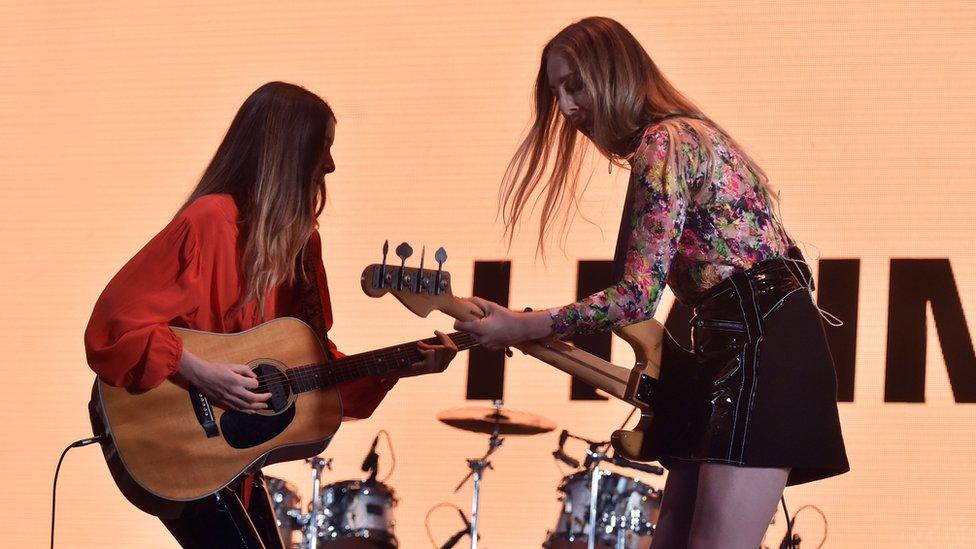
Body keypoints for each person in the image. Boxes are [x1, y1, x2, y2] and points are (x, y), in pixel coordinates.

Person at [455, 17, 848, 549]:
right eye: (556, 92)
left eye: (576, 85)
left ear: (615, 74)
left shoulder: (666, 142)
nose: (567, 108)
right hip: (732, 340)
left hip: (757, 343)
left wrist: (524, 325)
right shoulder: (685, 134)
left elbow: (637, 297)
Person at [84, 81, 458, 548]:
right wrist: (199, 370)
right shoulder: (208, 222)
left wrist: (400, 367)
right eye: (322, 148)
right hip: (180, 444)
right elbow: (116, 325)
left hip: (233, 458)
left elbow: (312, 366)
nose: (331, 165)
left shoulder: (302, 246)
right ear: (288, 153)